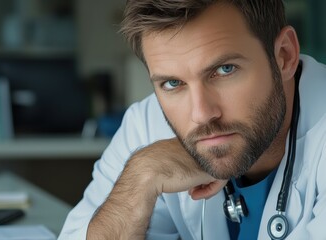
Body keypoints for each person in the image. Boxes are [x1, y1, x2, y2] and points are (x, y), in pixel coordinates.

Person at [59, 0, 326, 239]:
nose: (201, 115)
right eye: (173, 83)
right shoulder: (147, 126)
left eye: (224, 69)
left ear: (284, 56)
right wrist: (141, 176)